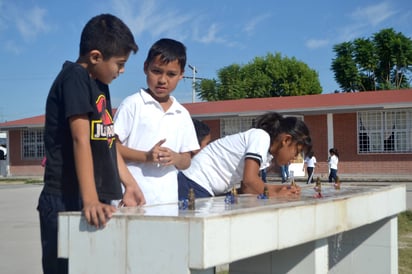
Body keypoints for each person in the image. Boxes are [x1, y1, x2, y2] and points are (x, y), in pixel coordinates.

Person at [37, 14, 145, 274]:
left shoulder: (99, 84)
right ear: (96, 56)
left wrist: (129, 183)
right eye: (119, 64)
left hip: (96, 199)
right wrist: (89, 200)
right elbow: (80, 138)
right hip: (68, 198)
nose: (122, 71)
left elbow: (107, 140)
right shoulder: (74, 77)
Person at [114, 38, 199, 206]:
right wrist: (146, 156)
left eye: (171, 74)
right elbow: (111, 147)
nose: (162, 80)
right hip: (131, 198)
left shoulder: (182, 113)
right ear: (146, 67)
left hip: (166, 201)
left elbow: (187, 160)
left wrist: (175, 158)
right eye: (157, 71)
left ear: (181, 75)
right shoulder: (132, 104)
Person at [178, 112, 312, 200]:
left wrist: (281, 189)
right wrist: (277, 195)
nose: (295, 157)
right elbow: (249, 182)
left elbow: (247, 188)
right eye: (297, 151)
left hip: (200, 187)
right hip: (193, 184)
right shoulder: (261, 137)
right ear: (286, 140)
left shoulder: (266, 155)